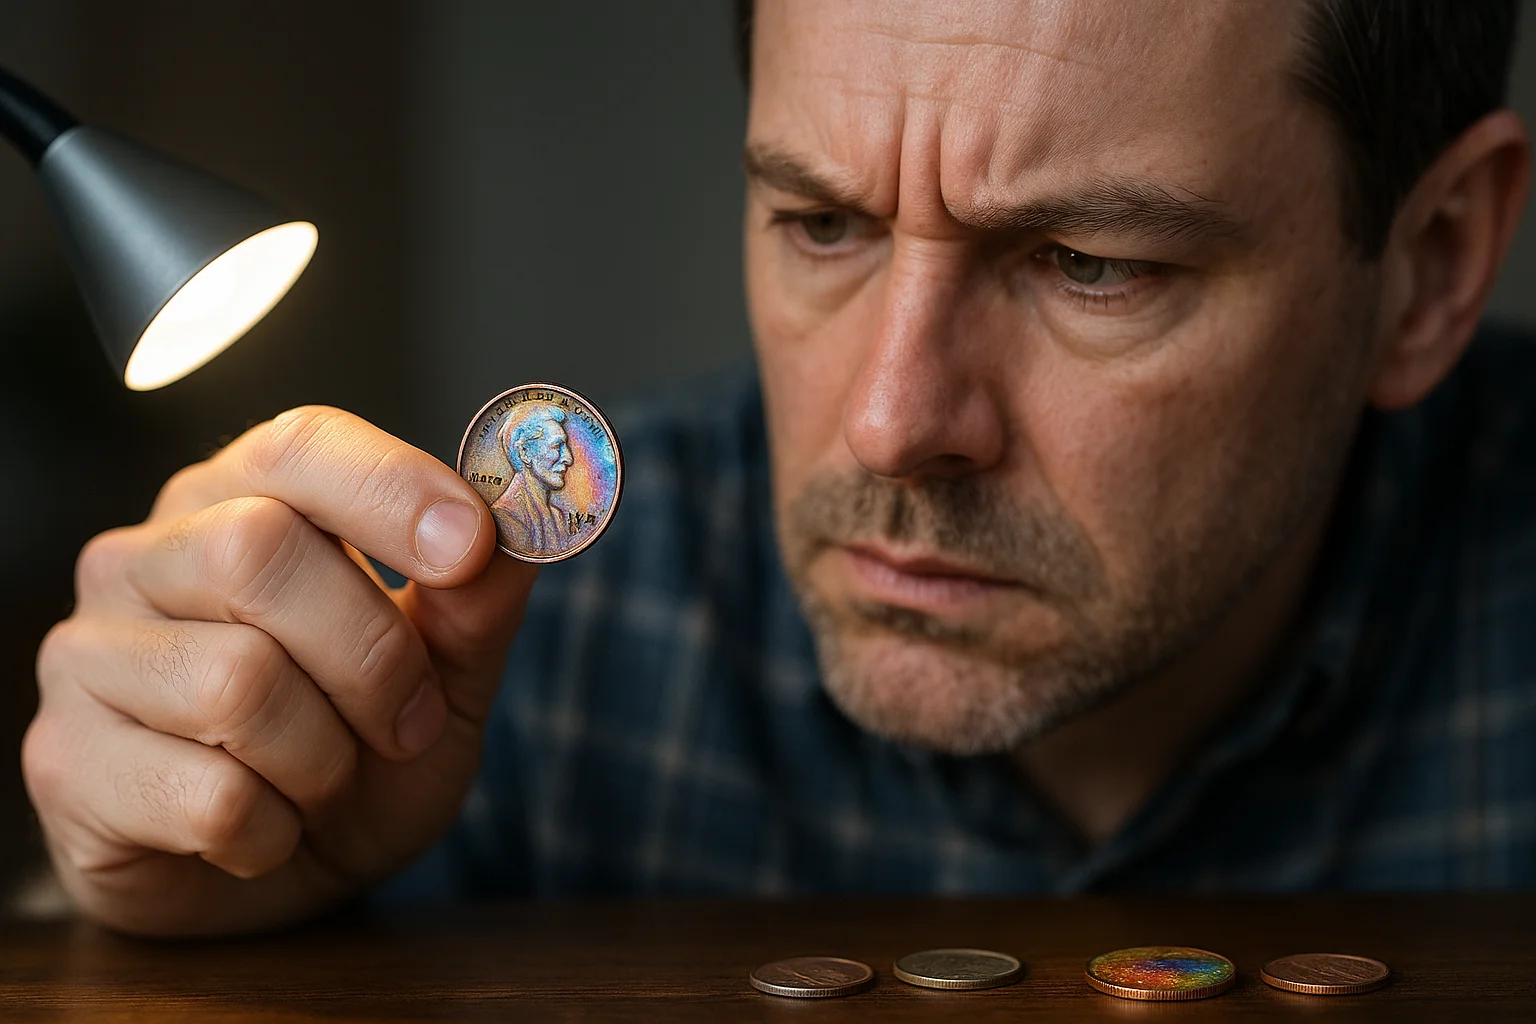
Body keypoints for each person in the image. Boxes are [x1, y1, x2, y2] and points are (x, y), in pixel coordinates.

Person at [21, 0, 1535, 936]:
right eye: (823, 225)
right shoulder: (530, 632)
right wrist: (173, 913)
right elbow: (211, 878)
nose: (888, 422)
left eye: (1089, 264)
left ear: (1428, 268)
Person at [489, 404, 574, 555]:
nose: (568, 458)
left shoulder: (557, 518)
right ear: (524, 453)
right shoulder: (506, 519)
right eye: (557, 446)